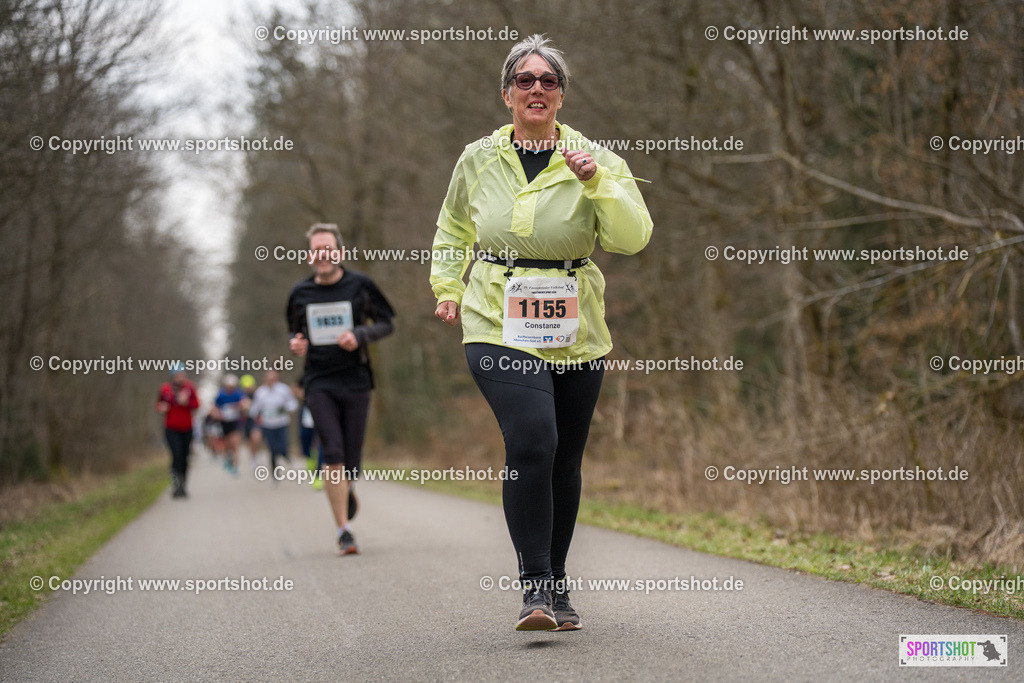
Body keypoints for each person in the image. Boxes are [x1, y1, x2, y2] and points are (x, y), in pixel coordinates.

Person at [429, 34, 653, 631]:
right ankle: (533, 590)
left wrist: (597, 182)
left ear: (562, 95)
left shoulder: (597, 158)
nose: (536, 90)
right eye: (524, 81)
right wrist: (447, 290)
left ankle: (557, 587)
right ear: (507, 94)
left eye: (547, 81)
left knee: (564, 459)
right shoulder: (476, 158)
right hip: (495, 314)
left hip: (575, 319)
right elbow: (453, 228)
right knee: (533, 439)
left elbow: (633, 238)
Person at [287, 223, 395, 555]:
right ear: (309, 256)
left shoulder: (361, 286)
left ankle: (345, 487)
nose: (323, 255)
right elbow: (295, 335)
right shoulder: (299, 295)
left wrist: (359, 336)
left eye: (328, 248)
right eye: (317, 249)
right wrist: (297, 345)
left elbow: (386, 321)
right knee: (331, 453)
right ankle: (344, 530)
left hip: (357, 380)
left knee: (350, 460)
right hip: (318, 382)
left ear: (340, 253)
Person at [156, 365, 200, 498]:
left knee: (185, 456)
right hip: (171, 428)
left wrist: (186, 402)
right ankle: (176, 485)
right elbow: (158, 404)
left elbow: (196, 405)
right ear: (173, 376)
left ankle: (183, 483)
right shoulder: (165, 389)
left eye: (183, 375)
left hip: (187, 428)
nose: (181, 377)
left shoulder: (189, 388)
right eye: (178, 375)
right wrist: (161, 407)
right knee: (176, 454)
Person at [250, 369, 298, 476]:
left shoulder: (284, 389)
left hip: (282, 423)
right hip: (267, 424)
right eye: (268, 378)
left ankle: (286, 456)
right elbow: (254, 409)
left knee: (283, 447)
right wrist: (258, 416)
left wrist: (285, 409)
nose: (271, 381)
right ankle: (275, 473)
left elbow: (293, 404)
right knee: (272, 449)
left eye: (273, 378)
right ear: (265, 379)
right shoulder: (260, 392)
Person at [212, 374, 248, 475]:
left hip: (235, 422)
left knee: (235, 444)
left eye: (232, 386)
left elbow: (245, 403)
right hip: (224, 423)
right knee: (227, 445)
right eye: (229, 386)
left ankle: (235, 467)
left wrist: (238, 406)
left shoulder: (238, 394)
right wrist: (217, 414)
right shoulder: (221, 395)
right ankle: (228, 460)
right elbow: (214, 408)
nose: (230, 388)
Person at [239, 374, 262, 461]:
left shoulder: (259, 394)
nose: (248, 389)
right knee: (250, 441)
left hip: (255, 420)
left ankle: (256, 455)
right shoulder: (241, 396)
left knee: (256, 438)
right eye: (246, 387)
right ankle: (253, 456)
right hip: (246, 421)